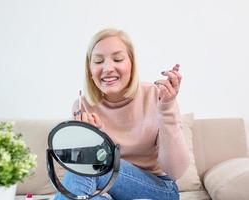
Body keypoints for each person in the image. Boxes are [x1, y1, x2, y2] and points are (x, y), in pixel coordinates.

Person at [54, 28, 190, 200]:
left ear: (132, 63)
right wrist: (95, 138)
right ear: (90, 69)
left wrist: (166, 110)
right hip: (108, 190)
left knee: (92, 162)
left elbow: (176, 170)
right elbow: (79, 177)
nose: (108, 68)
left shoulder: (157, 96)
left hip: (159, 189)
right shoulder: (83, 105)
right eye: (98, 61)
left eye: (118, 59)